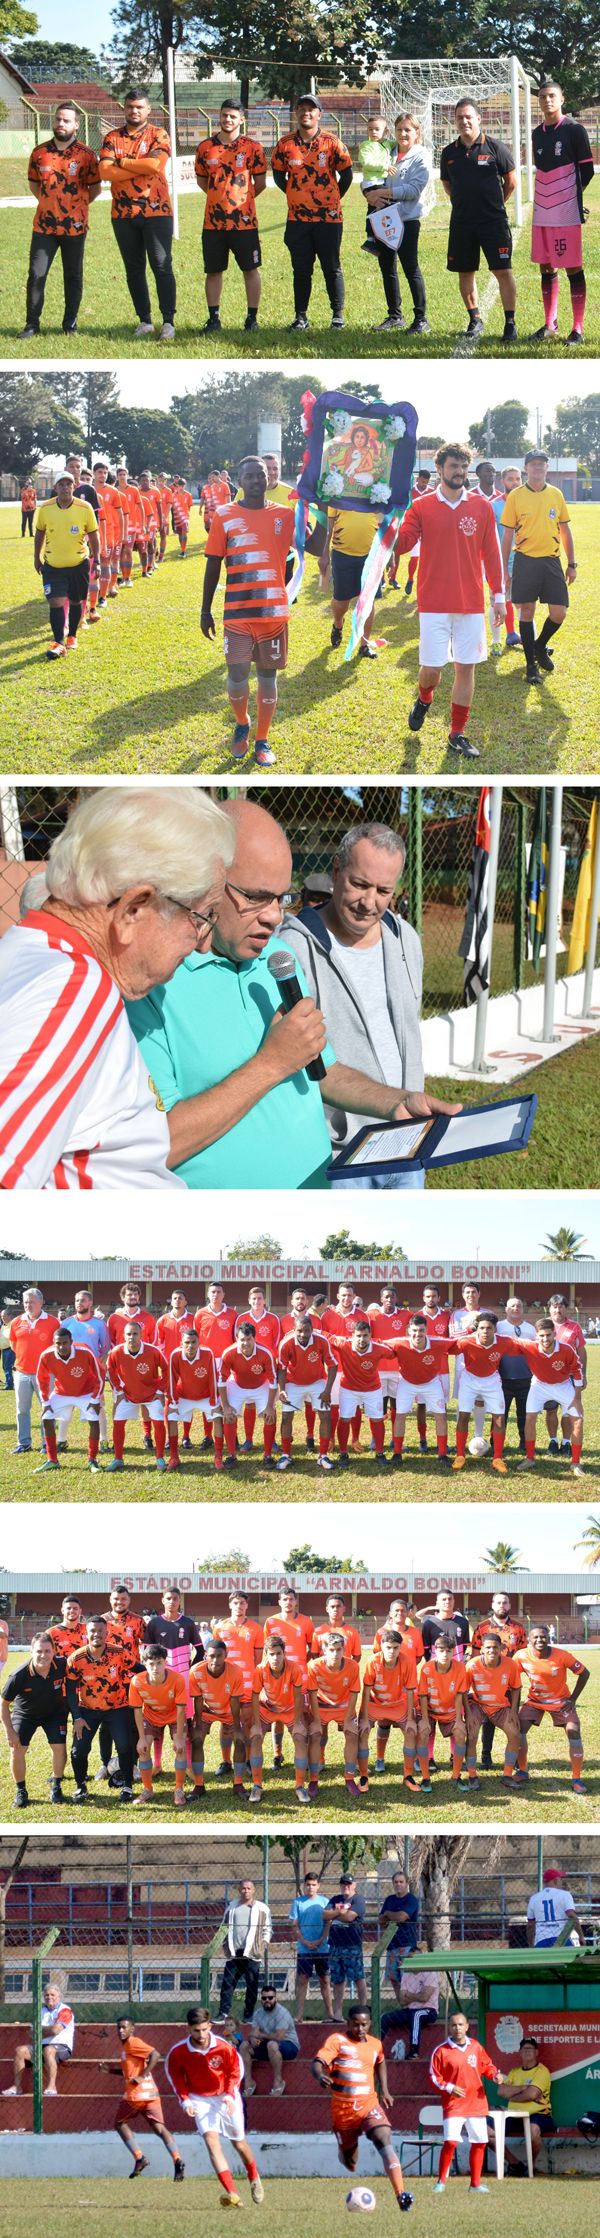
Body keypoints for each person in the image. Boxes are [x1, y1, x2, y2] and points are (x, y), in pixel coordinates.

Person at [127, 797, 450, 1191]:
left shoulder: (278, 958)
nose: (274, 916)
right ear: (206, 880)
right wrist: (271, 1063)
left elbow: (322, 1072)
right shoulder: (151, 980)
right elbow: (159, 1143)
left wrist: (395, 1101)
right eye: (255, 896)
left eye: (282, 898)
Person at [0, 785, 233, 1191]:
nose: (203, 943)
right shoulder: (74, 990)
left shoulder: (29, 954)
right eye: (200, 917)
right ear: (134, 909)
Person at [201, 454, 324, 767]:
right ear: (239, 482)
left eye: (262, 475)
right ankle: (242, 722)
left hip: (273, 614)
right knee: (237, 675)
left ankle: (262, 739)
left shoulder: (285, 514)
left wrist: (317, 510)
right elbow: (213, 563)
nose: (257, 480)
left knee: (268, 678)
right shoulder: (224, 515)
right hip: (238, 614)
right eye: (250, 476)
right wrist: (205, 610)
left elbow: (318, 547)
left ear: (269, 479)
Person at [391, 441, 505, 755]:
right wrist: (384, 526)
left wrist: (498, 596)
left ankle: (457, 734)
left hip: (470, 602)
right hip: (433, 603)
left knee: (465, 667)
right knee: (432, 670)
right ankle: (424, 697)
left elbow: (492, 554)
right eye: (453, 466)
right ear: (440, 469)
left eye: (463, 467)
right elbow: (403, 544)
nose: (459, 472)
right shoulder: (422, 506)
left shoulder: (480, 507)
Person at [312, 2005, 412, 2209]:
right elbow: (316, 2062)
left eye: (364, 2024)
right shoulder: (337, 2040)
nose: (360, 2029)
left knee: (384, 2137)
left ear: (370, 2024)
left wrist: (384, 2090)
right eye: (355, 2024)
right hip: (343, 2111)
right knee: (350, 2163)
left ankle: (401, 2195)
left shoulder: (375, 2044)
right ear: (348, 2023)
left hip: (368, 2104)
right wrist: (320, 2075)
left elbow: (380, 2062)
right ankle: (344, 2149)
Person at [165, 2007, 264, 2205]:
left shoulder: (224, 2047)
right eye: (196, 2030)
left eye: (204, 2029)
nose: (201, 2035)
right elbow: (175, 2078)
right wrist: (185, 2100)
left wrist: (229, 2095)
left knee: (239, 2143)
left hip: (226, 2096)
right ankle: (233, 2194)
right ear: (188, 2029)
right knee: (212, 2142)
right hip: (199, 2099)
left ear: (210, 2026)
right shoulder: (178, 2052)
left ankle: (253, 2176)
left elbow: (236, 2071)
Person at [100, 87, 176, 341]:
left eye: (139, 107)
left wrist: (120, 162)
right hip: (123, 213)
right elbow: (104, 172)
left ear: (148, 110)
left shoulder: (159, 134)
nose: (134, 110)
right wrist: (138, 167)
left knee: (161, 266)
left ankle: (168, 322)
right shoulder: (112, 137)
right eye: (130, 106)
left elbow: (155, 165)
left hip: (157, 212)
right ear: (125, 108)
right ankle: (145, 320)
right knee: (134, 269)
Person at [272, 95, 353, 332]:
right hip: (298, 219)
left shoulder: (332, 142)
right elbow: (278, 175)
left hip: (329, 219)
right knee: (301, 269)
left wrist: (333, 198)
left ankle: (337, 316)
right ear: (296, 113)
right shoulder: (285, 144)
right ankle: (301, 317)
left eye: (311, 109)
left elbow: (346, 175)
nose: (306, 113)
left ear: (319, 114)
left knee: (332, 266)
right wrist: (295, 194)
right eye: (302, 109)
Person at [440, 97, 517, 343]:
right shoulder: (449, 153)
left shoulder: (496, 147)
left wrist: (494, 205)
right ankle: (474, 319)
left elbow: (512, 181)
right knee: (465, 271)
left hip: (493, 223)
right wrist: (464, 203)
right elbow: (447, 183)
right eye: (460, 117)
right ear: (455, 121)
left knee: (502, 270)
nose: (464, 121)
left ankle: (510, 323)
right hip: (462, 223)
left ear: (478, 119)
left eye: (468, 116)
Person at [22, 101, 101, 338]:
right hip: (44, 227)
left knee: (73, 276)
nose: (61, 124)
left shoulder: (86, 155)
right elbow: (35, 185)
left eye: (67, 120)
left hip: (74, 228)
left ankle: (70, 324)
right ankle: (32, 324)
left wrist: (74, 208)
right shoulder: (39, 153)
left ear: (76, 125)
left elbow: (95, 189)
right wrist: (50, 204)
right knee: (37, 274)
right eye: (58, 119)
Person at [500, 450, 576, 685]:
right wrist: (504, 570)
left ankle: (539, 646)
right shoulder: (516, 496)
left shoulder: (556, 494)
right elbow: (507, 536)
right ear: (526, 468)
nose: (537, 468)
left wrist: (571, 564)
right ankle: (530, 666)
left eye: (541, 464)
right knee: (527, 611)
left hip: (552, 560)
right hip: (525, 561)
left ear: (547, 468)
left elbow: (565, 530)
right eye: (533, 464)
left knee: (559, 612)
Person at [195, 98, 267, 335]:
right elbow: (203, 180)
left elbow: (260, 183)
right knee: (213, 271)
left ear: (242, 120)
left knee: (250, 269)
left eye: (233, 116)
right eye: (225, 115)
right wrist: (220, 200)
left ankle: (251, 319)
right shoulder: (206, 147)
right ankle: (213, 319)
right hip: (213, 223)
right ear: (219, 116)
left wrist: (239, 201)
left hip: (244, 223)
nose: (228, 119)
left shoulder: (252, 147)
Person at [530, 80, 594, 343]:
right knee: (546, 267)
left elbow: (587, 170)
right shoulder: (537, 133)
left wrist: (571, 198)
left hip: (566, 212)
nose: (547, 100)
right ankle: (549, 323)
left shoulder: (575, 130)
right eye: (543, 96)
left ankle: (577, 327)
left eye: (552, 96)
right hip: (542, 212)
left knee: (572, 266)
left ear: (562, 99)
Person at [366, 113, 431, 334]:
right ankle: (395, 315)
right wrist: (368, 194)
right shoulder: (387, 151)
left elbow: (413, 190)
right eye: (399, 129)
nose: (403, 134)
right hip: (384, 218)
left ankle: (421, 319)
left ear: (416, 133)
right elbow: (370, 176)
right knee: (387, 267)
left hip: (407, 220)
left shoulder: (421, 156)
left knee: (410, 267)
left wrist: (386, 192)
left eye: (408, 130)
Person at [99, 2016, 185, 2180]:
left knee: (119, 2123)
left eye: (124, 2027)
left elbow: (155, 2054)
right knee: (160, 2128)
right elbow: (130, 2072)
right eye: (119, 2028)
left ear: (132, 2029)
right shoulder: (127, 2048)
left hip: (136, 2095)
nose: (121, 2030)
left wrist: (141, 2076)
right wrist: (110, 2070)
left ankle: (140, 2158)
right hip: (151, 2094)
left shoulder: (133, 2042)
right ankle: (177, 2160)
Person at [430, 2010, 507, 2192]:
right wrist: (449, 2087)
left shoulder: (475, 2046)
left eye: (460, 2024)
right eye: (454, 2025)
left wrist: (495, 2075)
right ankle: (441, 2182)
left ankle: (475, 2184)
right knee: (450, 2142)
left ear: (467, 2027)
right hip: (454, 2104)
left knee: (480, 2142)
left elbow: (487, 2066)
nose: (457, 2028)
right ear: (449, 2028)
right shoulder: (441, 2051)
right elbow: (434, 2077)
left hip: (476, 2102)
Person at [67, 1615, 136, 1802]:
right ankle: (81, 1786)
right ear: (86, 1633)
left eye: (100, 1631)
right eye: (92, 1631)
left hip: (117, 1708)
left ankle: (128, 1785)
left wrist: (160, 1675)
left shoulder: (119, 1652)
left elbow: (138, 1668)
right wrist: (77, 1717)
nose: (96, 1634)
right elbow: (71, 1690)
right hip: (87, 1710)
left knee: (124, 1746)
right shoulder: (76, 1658)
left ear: (107, 1633)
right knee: (78, 1751)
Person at [515, 1624, 589, 1797]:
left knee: (573, 1731)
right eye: (536, 1637)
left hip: (561, 1702)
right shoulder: (521, 1656)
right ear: (529, 1640)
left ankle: (576, 1779)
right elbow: (512, 1677)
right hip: (535, 1701)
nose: (539, 1640)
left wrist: (573, 1699)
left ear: (548, 1638)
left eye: (543, 1637)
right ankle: (523, 1771)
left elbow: (584, 1673)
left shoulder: (562, 1655)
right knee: (518, 1730)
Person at [33, 471, 100, 659]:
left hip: (79, 564)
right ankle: (58, 643)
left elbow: (94, 534)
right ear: (56, 488)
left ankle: (72, 636)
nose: (65, 487)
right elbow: (39, 534)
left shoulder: (84, 507)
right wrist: (36, 558)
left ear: (74, 487)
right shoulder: (46, 508)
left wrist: (98, 560)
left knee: (76, 601)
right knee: (55, 602)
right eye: (61, 484)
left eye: (68, 484)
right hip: (53, 565)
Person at [1, 1632, 68, 1808]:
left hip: (54, 1714)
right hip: (25, 1715)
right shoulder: (18, 1675)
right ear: (31, 1652)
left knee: (60, 1748)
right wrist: (10, 1732)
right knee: (17, 1750)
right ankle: (21, 1791)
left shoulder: (62, 1665)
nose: (43, 1655)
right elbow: (3, 1704)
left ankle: (56, 1786)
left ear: (53, 1652)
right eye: (39, 1651)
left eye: (47, 1651)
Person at [514, 1318, 584, 1478]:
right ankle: (530, 1458)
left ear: (554, 1334)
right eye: (541, 1336)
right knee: (530, 1418)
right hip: (539, 1384)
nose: (545, 1339)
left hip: (563, 1385)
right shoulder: (529, 1346)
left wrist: (577, 1397)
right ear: (536, 1336)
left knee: (578, 1420)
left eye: (548, 1335)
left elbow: (577, 1369)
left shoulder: (566, 1349)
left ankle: (575, 1462)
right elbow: (506, 1341)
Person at [468, 1591, 528, 1772]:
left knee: (512, 1719)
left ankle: (515, 1758)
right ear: (493, 1605)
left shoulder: (518, 1628)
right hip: (486, 1682)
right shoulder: (482, 1628)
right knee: (486, 1720)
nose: (502, 1605)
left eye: (505, 1602)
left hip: (510, 1681)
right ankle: (486, 1756)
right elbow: (476, 1656)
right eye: (498, 1602)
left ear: (509, 1606)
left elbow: (523, 1655)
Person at [36, 1324, 104, 1473]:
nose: (61, 1347)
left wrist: (94, 1400)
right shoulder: (46, 1355)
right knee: (46, 1417)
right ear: (54, 1343)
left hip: (85, 1392)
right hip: (62, 1393)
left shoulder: (85, 1351)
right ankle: (52, 1459)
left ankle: (92, 1460)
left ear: (71, 1341)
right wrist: (45, 1402)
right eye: (58, 1343)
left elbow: (100, 1375)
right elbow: (41, 1379)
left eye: (65, 1343)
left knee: (94, 1419)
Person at [387, 1317, 452, 1467]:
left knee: (440, 1415)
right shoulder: (398, 1342)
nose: (418, 1334)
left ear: (426, 1330)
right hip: (406, 1383)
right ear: (409, 1331)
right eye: (414, 1331)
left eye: (421, 1330)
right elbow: (378, 1344)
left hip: (431, 1383)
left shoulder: (438, 1342)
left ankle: (442, 1454)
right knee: (400, 1415)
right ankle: (397, 1453)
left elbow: (459, 1343)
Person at [129, 1643, 188, 1807]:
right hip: (151, 1717)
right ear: (144, 1663)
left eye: (159, 1663)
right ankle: (147, 1789)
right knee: (143, 1748)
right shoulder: (136, 1681)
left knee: (180, 1748)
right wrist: (141, 1738)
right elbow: (137, 1711)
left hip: (174, 1717)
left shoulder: (177, 1679)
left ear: (165, 1662)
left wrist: (180, 1738)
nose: (155, 1667)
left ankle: (179, 1789)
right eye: (151, 1664)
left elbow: (181, 1711)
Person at [277, 1309, 336, 1471]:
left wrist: (327, 1390)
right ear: (294, 1330)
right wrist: (282, 1390)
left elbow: (333, 1365)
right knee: (287, 1416)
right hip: (293, 1382)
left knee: (325, 1414)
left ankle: (323, 1455)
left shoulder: (321, 1340)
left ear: (312, 1330)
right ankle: (286, 1454)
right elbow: (281, 1368)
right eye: (299, 1331)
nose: (303, 1334)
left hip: (317, 1381)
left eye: (307, 1331)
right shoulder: (286, 1343)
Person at [359, 1632, 418, 1790]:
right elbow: (366, 1690)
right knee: (362, 1731)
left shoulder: (408, 1661)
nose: (391, 1651)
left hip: (398, 1704)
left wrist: (411, 1719)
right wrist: (363, 1717)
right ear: (382, 1647)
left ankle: (408, 1775)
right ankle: (364, 1776)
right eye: (388, 1647)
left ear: (400, 1648)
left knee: (411, 1731)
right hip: (375, 1704)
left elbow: (411, 1690)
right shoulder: (373, 1661)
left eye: (395, 1647)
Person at [107, 1320, 169, 1471]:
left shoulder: (153, 1351)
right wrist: (119, 1391)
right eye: (128, 1334)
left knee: (159, 1422)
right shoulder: (116, 1352)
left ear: (141, 1335)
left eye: (135, 1334)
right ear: (124, 1335)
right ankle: (118, 1458)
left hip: (151, 1395)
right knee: (118, 1422)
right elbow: (110, 1371)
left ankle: (160, 1458)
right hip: (128, 1395)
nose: (131, 1337)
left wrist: (160, 1391)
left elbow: (166, 1370)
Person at [189, 1639, 247, 1801]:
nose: (215, 1660)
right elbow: (198, 1700)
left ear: (226, 1655)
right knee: (197, 1740)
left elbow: (235, 1701)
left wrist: (237, 1726)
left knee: (240, 1741)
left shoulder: (235, 1672)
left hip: (228, 1710)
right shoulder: (195, 1671)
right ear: (205, 1655)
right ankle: (199, 1785)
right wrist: (198, 1724)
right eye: (212, 1656)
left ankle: (238, 1784)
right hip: (207, 1710)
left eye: (219, 1656)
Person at [306, 1634, 362, 1798]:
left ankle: (350, 1778)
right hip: (321, 1705)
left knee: (352, 1735)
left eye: (339, 1650)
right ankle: (313, 1779)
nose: (335, 1654)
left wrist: (349, 1719)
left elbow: (353, 1694)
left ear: (344, 1650)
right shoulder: (314, 1666)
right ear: (324, 1650)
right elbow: (312, 1693)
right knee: (315, 1735)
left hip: (344, 1706)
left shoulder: (352, 1666)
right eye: (331, 1650)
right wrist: (316, 1721)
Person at [464, 1634, 522, 1788]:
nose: (492, 1650)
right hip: (479, 1705)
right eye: (488, 1647)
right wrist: (468, 1714)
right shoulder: (472, 1665)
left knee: (515, 1734)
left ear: (501, 1649)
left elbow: (516, 1688)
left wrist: (513, 1711)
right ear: (482, 1649)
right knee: (472, 1735)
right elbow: (463, 1691)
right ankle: (472, 1775)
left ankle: (507, 1775)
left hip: (500, 1707)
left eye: (495, 1647)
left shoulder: (510, 1664)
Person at [1, 1980, 75, 2098]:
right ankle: (17, 2087)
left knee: (49, 2050)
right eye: (46, 1995)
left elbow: (56, 2030)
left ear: (59, 1996)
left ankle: (51, 2087)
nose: (49, 1997)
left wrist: (40, 2030)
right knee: (20, 2050)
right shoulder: (40, 2011)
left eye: (52, 1994)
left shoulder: (65, 2010)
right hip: (41, 2046)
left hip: (61, 2047)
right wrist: (48, 2030)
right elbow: (32, 2032)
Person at [416, 1634, 470, 1793]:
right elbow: (423, 1695)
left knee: (460, 1733)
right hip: (430, 1711)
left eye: (448, 1651)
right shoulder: (427, 1668)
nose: (444, 1654)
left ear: (453, 1652)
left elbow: (460, 1694)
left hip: (450, 1711)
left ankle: (456, 1775)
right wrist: (425, 1720)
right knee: (423, 1732)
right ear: (434, 1651)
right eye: (441, 1650)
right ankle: (425, 1778)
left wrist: (459, 1719)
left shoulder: (460, 1668)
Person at [8, 1288, 59, 1454]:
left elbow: (57, 1347)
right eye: (26, 1302)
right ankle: (24, 1443)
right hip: (22, 1372)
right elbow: (13, 1345)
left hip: (45, 1373)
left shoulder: (53, 1322)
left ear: (41, 1302)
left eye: (32, 1302)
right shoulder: (16, 1321)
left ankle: (47, 1443)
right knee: (22, 1409)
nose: (28, 1305)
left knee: (47, 1408)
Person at [168, 1328, 223, 1469]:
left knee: (217, 1417)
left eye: (193, 1342)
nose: (190, 1346)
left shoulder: (207, 1353)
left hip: (205, 1396)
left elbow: (213, 1377)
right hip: (184, 1396)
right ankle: (174, 1457)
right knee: (171, 1417)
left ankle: (218, 1456)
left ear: (199, 1342)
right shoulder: (175, 1355)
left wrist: (214, 1401)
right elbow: (171, 1380)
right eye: (187, 1342)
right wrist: (173, 1401)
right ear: (181, 1343)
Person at [500, 2035, 556, 2174]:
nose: (527, 2051)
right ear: (520, 2052)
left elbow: (532, 2094)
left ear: (536, 2052)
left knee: (533, 2130)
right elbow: (501, 2091)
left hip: (538, 2115)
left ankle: (530, 2167)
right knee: (486, 2131)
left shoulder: (542, 2071)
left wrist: (512, 2096)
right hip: (513, 2116)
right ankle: (516, 2164)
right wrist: (524, 2087)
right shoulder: (514, 2072)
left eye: (530, 2048)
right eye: (524, 2048)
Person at [218, 1878, 272, 2019]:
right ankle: (223, 2013)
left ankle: (248, 2015)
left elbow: (267, 1928)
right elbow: (224, 1927)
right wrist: (225, 1945)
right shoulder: (232, 1907)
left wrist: (264, 1943)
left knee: (252, 1985)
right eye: (243, 1888)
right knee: (227, 1983)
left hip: (252, 1952)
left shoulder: (262, 1908)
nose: (246, 1891)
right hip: (235, 1952)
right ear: (239, 1890)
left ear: (253, 1890)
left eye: (249, 1888)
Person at [290, 1870, 335, 2018]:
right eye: (308, 1885)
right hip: (304, 1949)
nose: (310, 1887)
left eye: (313, 1885)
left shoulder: (325, 1902)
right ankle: (299, 2016)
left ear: (318, 1886)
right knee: (302, 1981)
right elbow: (294, 1925)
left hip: (322, 1948)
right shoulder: (297, 1902)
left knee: (325, 1980)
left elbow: (329, 1923)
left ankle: (330, 2014)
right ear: (304, 1885)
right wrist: (304, 1941)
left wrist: (321, 1940)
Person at [242, 1985, 299, 2097]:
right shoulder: (258, 2013)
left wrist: (260, 2035)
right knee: (244, 2046)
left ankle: (278, 2081)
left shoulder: (282, 2013)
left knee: (272, 2044)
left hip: (289, 2045)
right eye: (264, 1998)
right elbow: (254, 2032)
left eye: (270, 1997)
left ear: (275, 1998)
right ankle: (249, 2083)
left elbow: (279, 2037)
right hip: (268, 2045)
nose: (267, 2000)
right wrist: (253, 2039)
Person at [496, 1298, 536, 1451]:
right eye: (512, 1306)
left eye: (519, 1305)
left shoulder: (531, 1329)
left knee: (524, 1414)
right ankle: (496, 1443)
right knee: (500, 1413)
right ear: (506, 1309)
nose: (516, 1308)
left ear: (523, 1309)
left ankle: (525, 1443)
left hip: (525, 1378)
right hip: (502, 1378)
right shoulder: (498, 1327)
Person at [382, 1961, 439, 2059]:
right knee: (385, 2017)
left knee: (416, 2015)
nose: (412, 1960)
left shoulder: (430, 1973)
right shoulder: (406, 1974)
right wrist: (417, 1996)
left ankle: (414, 2052)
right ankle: (375, 2047)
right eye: (409, 1958)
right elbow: (402, 2001)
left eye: (416, 1958)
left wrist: (409, 1996)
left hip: (429, 2010)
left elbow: (425, 1998)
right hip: (409, 2010)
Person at [527, 1864, 583, 1948]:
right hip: (561, 1939)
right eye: (560, 1879)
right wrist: (581, 1936)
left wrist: (530, 1943)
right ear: (556, 1880)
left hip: (541, 1940)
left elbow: (530, 1925)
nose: (561, 1881)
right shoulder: (565, 1895)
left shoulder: (534, 1898)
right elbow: (571, 1915)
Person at [419, 1590, 470, 1660]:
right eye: (444, 1599)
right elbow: (426, 1649)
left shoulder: (463, 1622)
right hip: (436, 1666)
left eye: (450, 1599)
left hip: (457, 1666)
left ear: (453, 1601)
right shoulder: (429, 1624)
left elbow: (464, 1645)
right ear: (437, 1603)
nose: (447, 1602)